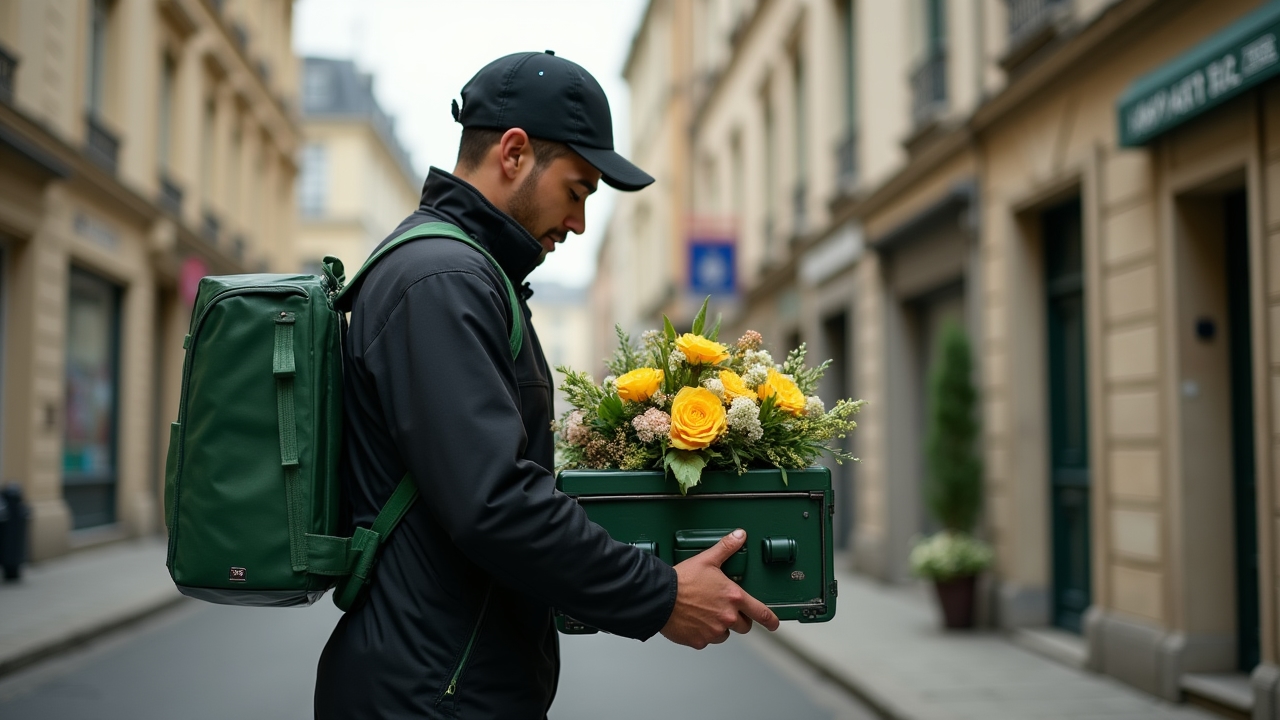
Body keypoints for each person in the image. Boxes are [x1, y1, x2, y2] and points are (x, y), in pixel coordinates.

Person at [314, 51, 779, 720]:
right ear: (513, 153)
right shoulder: (443, 280)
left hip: (444, 680)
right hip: (429, 695)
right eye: (579, 188)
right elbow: (494, 499)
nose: (581, 221)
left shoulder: (466, 275)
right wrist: (659, 593)